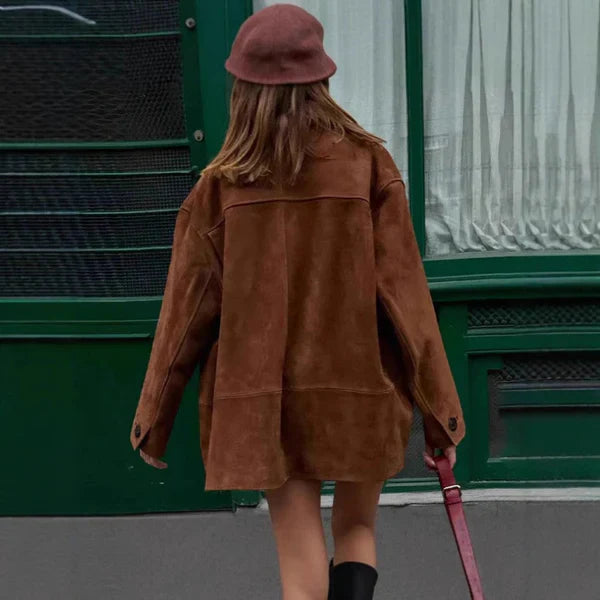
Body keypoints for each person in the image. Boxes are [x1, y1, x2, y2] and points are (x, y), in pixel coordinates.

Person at [129, 3, 466, 599]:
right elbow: (408, 299)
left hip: (266, 402)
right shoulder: (368, 166)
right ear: (321, 80)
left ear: (242, 88)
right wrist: (442, 416)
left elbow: (184, 316)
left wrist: (153, 423)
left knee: (298, 555)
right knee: (357, 527)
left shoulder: (219, 188)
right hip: (359, 388)